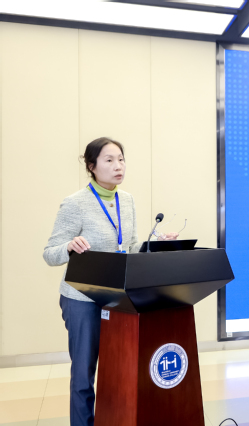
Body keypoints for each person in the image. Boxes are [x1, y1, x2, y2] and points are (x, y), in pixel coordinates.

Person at [43, 137, 178, 426]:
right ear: (92, 167)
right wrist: (69, 246)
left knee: (119, 368)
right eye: (109, 160)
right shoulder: (75, 203)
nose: (118, 166)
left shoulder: (126, 200)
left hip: (118, 296)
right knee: (84, 374)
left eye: (121, 159)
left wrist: (156, 243)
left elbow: (129, 246)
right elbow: (50, 253)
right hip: (82, 298)